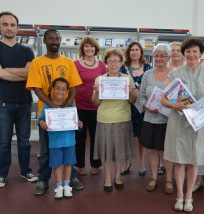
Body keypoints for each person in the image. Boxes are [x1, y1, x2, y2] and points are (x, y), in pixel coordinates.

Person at [26, 29, 84, 195]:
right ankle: (43, 180)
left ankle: (70, 178)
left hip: (66, 113)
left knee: (68, 147)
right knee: (46, 150)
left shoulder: (68, 62)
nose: (54, 41)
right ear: (44, 41)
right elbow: (36, 88)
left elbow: (73, 87)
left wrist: (68, 103)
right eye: (51, 38)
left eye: (57, 38)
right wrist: (52, 105)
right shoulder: (37, 63)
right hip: (48, 114)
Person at [161, 37, 204, 213]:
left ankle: (189, 196)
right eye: (188, 51)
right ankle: (179, 195)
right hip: (179, 123)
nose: (191, 54)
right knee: (179, 162)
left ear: (200, 54)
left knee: (193, 162)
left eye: (195, 51)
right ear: (183, 54)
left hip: (199, 124)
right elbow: (163, 99)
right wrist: (174, 105)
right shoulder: (174, 74)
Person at [0, 11, 38, 188]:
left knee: (24, 141)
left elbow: (29, 74)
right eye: (5, 24)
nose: (9, 28)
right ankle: (1, 174)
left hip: (24, 101)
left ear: (17, 28)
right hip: (2, 102)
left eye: (12, 25)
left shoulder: (26, 50)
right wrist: (16, 72)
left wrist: (4, 71)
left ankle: (26, 171)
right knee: (3, 141)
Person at [92, 48, 137, 192]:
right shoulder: (100, 80)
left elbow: (132, 100)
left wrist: (132, 92)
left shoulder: (127, 79)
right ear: (105, 63)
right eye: (110, 61)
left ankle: (117, 177)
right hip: (104, 119)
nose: (113, 64)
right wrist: (96, 91)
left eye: (116, 61)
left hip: (123, 118)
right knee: (106, 151)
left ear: (121, 62)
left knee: (119, 151)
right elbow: (95, 103)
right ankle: (107, 178)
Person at [37, 78, 83, 199]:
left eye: (63, 89)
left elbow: (77, 121)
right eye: (57, 88)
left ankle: (67, 186)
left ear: (67, 91)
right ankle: (59, 187)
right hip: (55, 143)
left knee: (68, 164)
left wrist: (80, 125)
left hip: (69, 142)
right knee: (56, 165)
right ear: (52, 89)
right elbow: (40, 119)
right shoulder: (47, 106)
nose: (60, 91)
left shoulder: (71, 105)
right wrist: (41, 122)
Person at [137, 43, 174, 194]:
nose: (159, 58)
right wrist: (145, 106)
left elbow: (179, 96)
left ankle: (169, 180)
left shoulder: (174, 74)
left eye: (162, 55)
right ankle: (153, 178)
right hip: (150, 118)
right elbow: (141, 96)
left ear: (168, 57)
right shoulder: (147, 74)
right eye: (156, 55)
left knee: (168, 152)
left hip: (168, 119)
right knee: (153, 150)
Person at [74, 36, 107, 176]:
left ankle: (95, 164)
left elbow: (106, 84)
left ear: (96, 49)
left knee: (95, 136)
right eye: (86, 46)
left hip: (97, 106)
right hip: (79, 105)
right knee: (80, 137)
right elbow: (73, 85)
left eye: (92, 46)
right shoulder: (75, 64)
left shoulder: (101, 65)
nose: (89, 49)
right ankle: (80, 165)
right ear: (82, 49)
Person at [120, 41, 152, 176]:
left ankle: (141, 163)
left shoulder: (148, 67)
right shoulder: (123, 67)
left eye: (137, 49)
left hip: (143, 106)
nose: (134, 52)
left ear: (141, 52)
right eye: (132, 49)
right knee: (127, 136)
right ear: (128, 52)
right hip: (128, 105)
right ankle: (127, 163)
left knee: (141, 136)